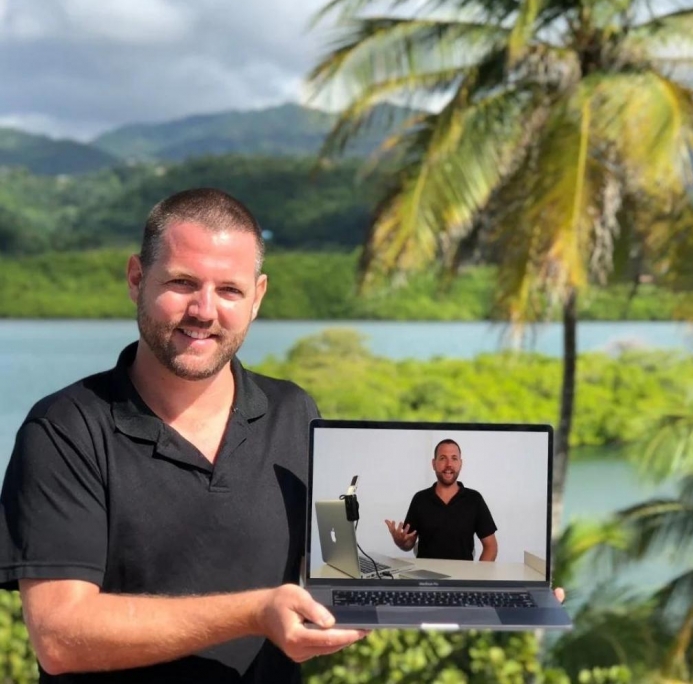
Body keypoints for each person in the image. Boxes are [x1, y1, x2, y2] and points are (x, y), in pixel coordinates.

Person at [0, 188, 366, 682]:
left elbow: (340, 563)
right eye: (182, 282)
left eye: (230, 290)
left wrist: (387, 584)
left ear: (257, 297)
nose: (204, 310)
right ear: (136, 279)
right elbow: (60, 637)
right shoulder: (65, 429)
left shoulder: (295, 413)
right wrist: (255, 613)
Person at [384, 439, 498, 561]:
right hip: (425, 577)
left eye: (454, 458)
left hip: (462, 577)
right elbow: (408, 544)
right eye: (443, 458)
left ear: (460, 463)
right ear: (434, 464)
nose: (449, 464)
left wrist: (476, 578)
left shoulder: (474, 499)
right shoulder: (420, 499)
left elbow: (491, 547)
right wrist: (400, 541)